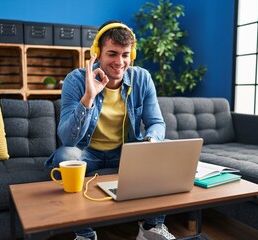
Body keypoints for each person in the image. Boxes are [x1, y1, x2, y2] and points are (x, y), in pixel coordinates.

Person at [45, 20, 175, 240]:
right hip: (86, 152)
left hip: (125, 151)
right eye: (112, 54)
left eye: (125, 55)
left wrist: (151, 142)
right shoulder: (76, 80)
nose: (119, 62)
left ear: (132, 55)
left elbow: (157, 123)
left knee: (163, 150)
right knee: (66, 156)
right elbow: (67, 138)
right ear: (97, 53)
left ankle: (150, 228)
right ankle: (85, 235)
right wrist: (88, 98)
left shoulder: (141, 78)